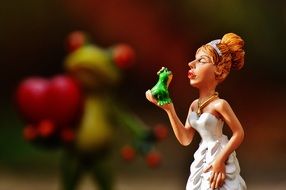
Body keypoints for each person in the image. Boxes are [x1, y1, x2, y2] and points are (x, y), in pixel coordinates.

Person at [146, 33, 247, 190]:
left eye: (201, 61)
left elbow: (239, 133)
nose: (191, 64)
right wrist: (169, 109)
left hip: (218, 153)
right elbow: (186, 139)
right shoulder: (194, 105)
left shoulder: (220, 105)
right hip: (202, 156)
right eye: (195, 59)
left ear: (219, 70)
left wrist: (220, 160)